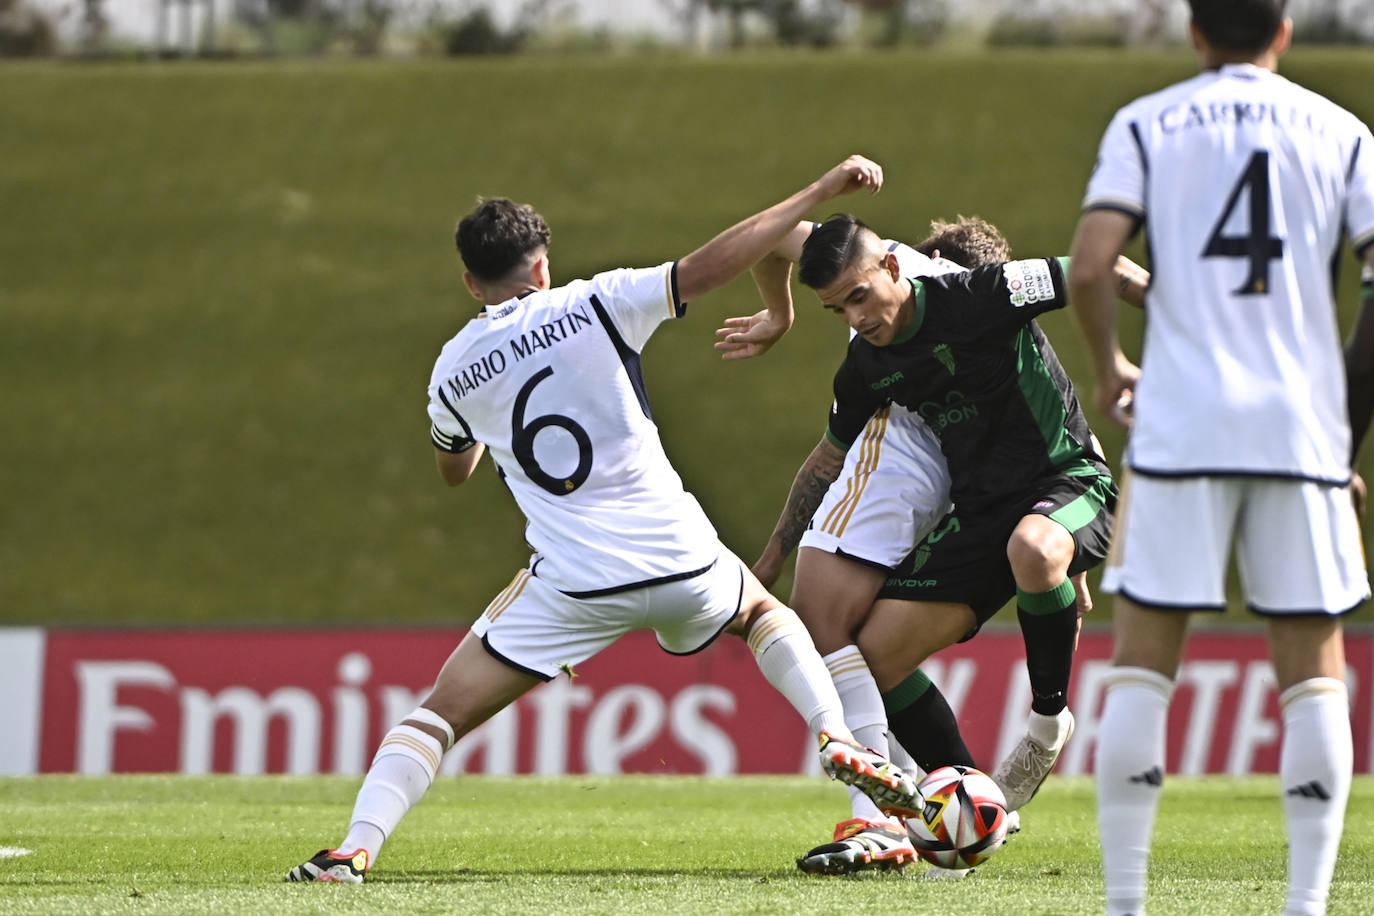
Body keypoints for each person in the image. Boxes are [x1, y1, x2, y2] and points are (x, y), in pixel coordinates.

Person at [284, 155, 923, 884]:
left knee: (437, 715)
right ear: (543, 267)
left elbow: (452, 467)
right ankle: (843, 754)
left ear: (470, 282)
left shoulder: (452, 369)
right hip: (680, 558)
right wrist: (815, 193)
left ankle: (354, 849)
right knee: (762, 611)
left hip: (574, 583)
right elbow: (713, 263)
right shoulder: (597, 301)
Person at [1068, 2, 1374, 914]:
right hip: (1298, 432)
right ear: (1283, 32)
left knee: (1143, 664)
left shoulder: (1147, 122)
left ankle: (1126, 902)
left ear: (1195, 32)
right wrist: (1342, 429)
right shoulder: (1345, 133)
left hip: (1180, 428)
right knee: (1313, 670)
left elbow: (1090, 268)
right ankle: (1307, 907)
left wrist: (1108, 366)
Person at [742, 214, 1123, 873]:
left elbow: (1097, 271)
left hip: (1063, 481)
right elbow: (829, 456)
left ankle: (1040, 729)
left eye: (857, 297)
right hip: (980, 512)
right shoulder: (870, 361)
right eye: (837, 308)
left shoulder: (978, 294)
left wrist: (1188, 312)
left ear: (898, 265)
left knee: (1033, 549)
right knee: (876, 656)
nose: (854, 317)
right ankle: (968, 808)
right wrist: (771, 557)